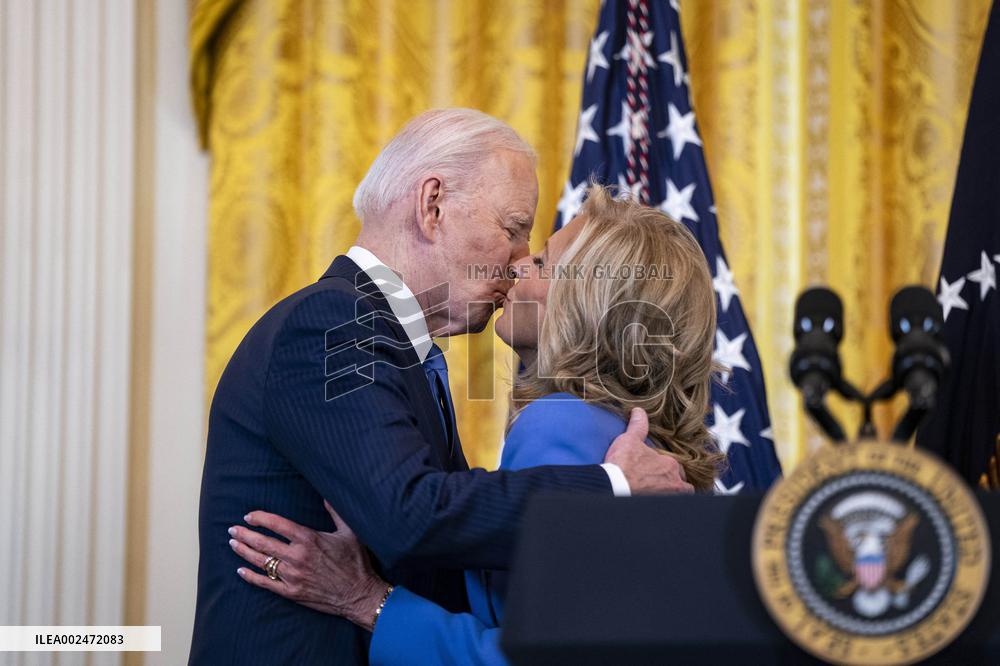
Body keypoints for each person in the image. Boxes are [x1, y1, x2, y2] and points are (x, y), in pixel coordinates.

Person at [189, 109, 692, 665]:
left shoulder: (397, 344)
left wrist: (367, 599)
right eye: (513, 228)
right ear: (433, 207)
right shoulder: (334, 320)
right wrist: (610, 487)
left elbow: (457, 568)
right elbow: (409, 514)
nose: (522, 258)